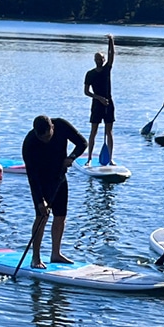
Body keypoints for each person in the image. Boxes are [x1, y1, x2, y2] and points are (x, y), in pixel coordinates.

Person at [22, 114, 87, 269]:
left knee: (60, 216)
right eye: (42, 138)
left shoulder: (62, 125)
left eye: (48, 136)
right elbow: (32, 176)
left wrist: (71, 157)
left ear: (52, 127)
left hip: (59, 177)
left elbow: (82, 143)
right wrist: (40, 201)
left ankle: (56, 254)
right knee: (41, 216)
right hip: (40, 181)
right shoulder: (29, 143)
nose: (45, 140)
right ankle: (35, 258)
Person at [83, 33, 115, 164]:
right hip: (97, 104)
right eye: (97, 58)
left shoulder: (107, 69)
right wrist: (99, 98)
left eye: (101, 58)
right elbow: (86, 92)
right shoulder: (90, 74)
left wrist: (111, 41)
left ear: (103, 59)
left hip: (108, 104)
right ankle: (89, 158)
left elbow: (112, 55)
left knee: (109, 132)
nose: (99, 60)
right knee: (94, 131)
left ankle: (110, 159)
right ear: (94, 60)